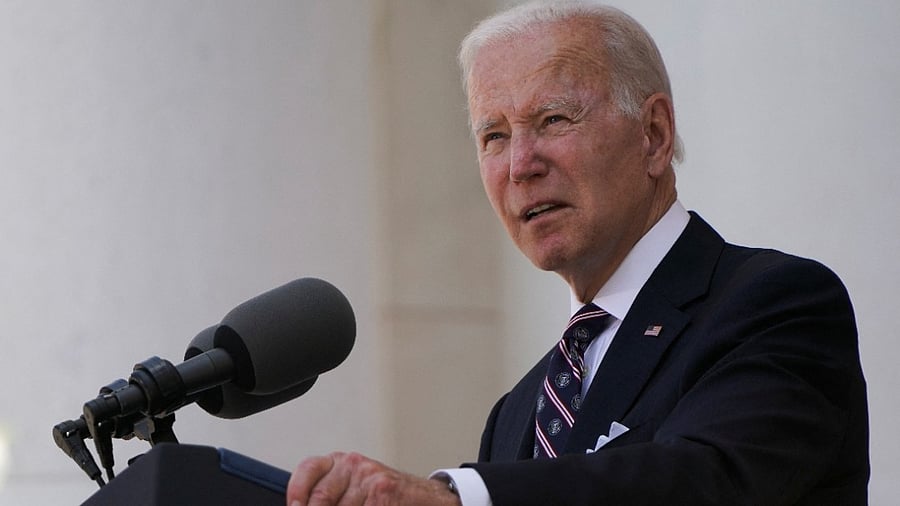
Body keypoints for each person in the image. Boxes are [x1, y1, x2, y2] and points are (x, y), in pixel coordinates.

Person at [286, 1, 869, 504]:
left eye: (553, 119)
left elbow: (703, 482)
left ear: (654, 135)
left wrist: (457, 497)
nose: (520, 166)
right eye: (494, 136)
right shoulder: (516, 412)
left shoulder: (776, 304)